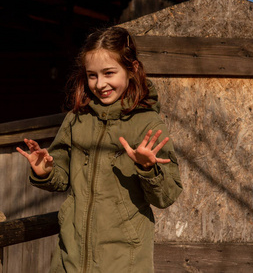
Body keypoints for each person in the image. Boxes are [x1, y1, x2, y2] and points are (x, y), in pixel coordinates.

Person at [17, 26, 182, 273]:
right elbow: (61, 178)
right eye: (92, 75)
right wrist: (46, 171)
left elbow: (166, 196)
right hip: (69, 257)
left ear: (132, 69)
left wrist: (148, 168)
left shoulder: (147, 124)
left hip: (124, 261)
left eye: (108, 73)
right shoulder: (76, 119)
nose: (100, 83)